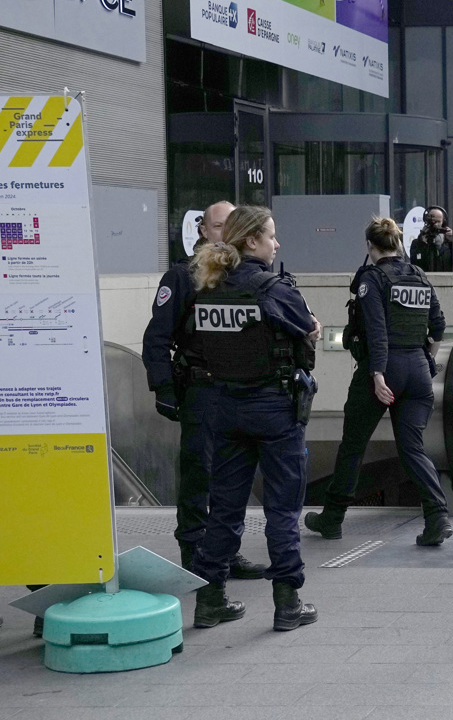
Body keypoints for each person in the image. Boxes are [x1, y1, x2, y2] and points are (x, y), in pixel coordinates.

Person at [186, 206, 320, 632]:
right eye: (271, 237)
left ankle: (210, 600)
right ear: (251, 241)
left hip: (225, 409)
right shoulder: (274, 289)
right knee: (282, 510)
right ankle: (287, 604)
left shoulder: (208, 287)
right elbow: (308, 330)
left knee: (224, 509)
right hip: (275, 411)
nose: (276, 244)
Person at [304, 217, 452, 547]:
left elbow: (376, 331)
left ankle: (332, 518)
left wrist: (377, 374)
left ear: (370, 247)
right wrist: (425, 359)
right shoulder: (418, 276)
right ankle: (437, 517)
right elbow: (438, 326)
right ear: (398, 243)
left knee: (353, 445)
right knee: (413, 448)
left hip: (383, 369)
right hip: (417, 369)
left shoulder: (373, 278)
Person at [141, 200, 266, 579]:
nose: (223, 235)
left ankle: (226, 551)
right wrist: (163, 387)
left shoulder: (248, 277)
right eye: (217, 227)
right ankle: (194, 553)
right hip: (203, 391)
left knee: (232, 478)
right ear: (203, 231)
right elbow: (157, 338)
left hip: (240, 392)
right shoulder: (183, 277)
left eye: (231, 227)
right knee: (199, 475)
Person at [409, 206, 453, 273]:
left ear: (443, 222)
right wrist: (422, 243)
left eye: (438, 221)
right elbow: (415, 264)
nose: (435, 225)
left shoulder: (450, 244)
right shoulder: (417, 243)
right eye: (432, 222)